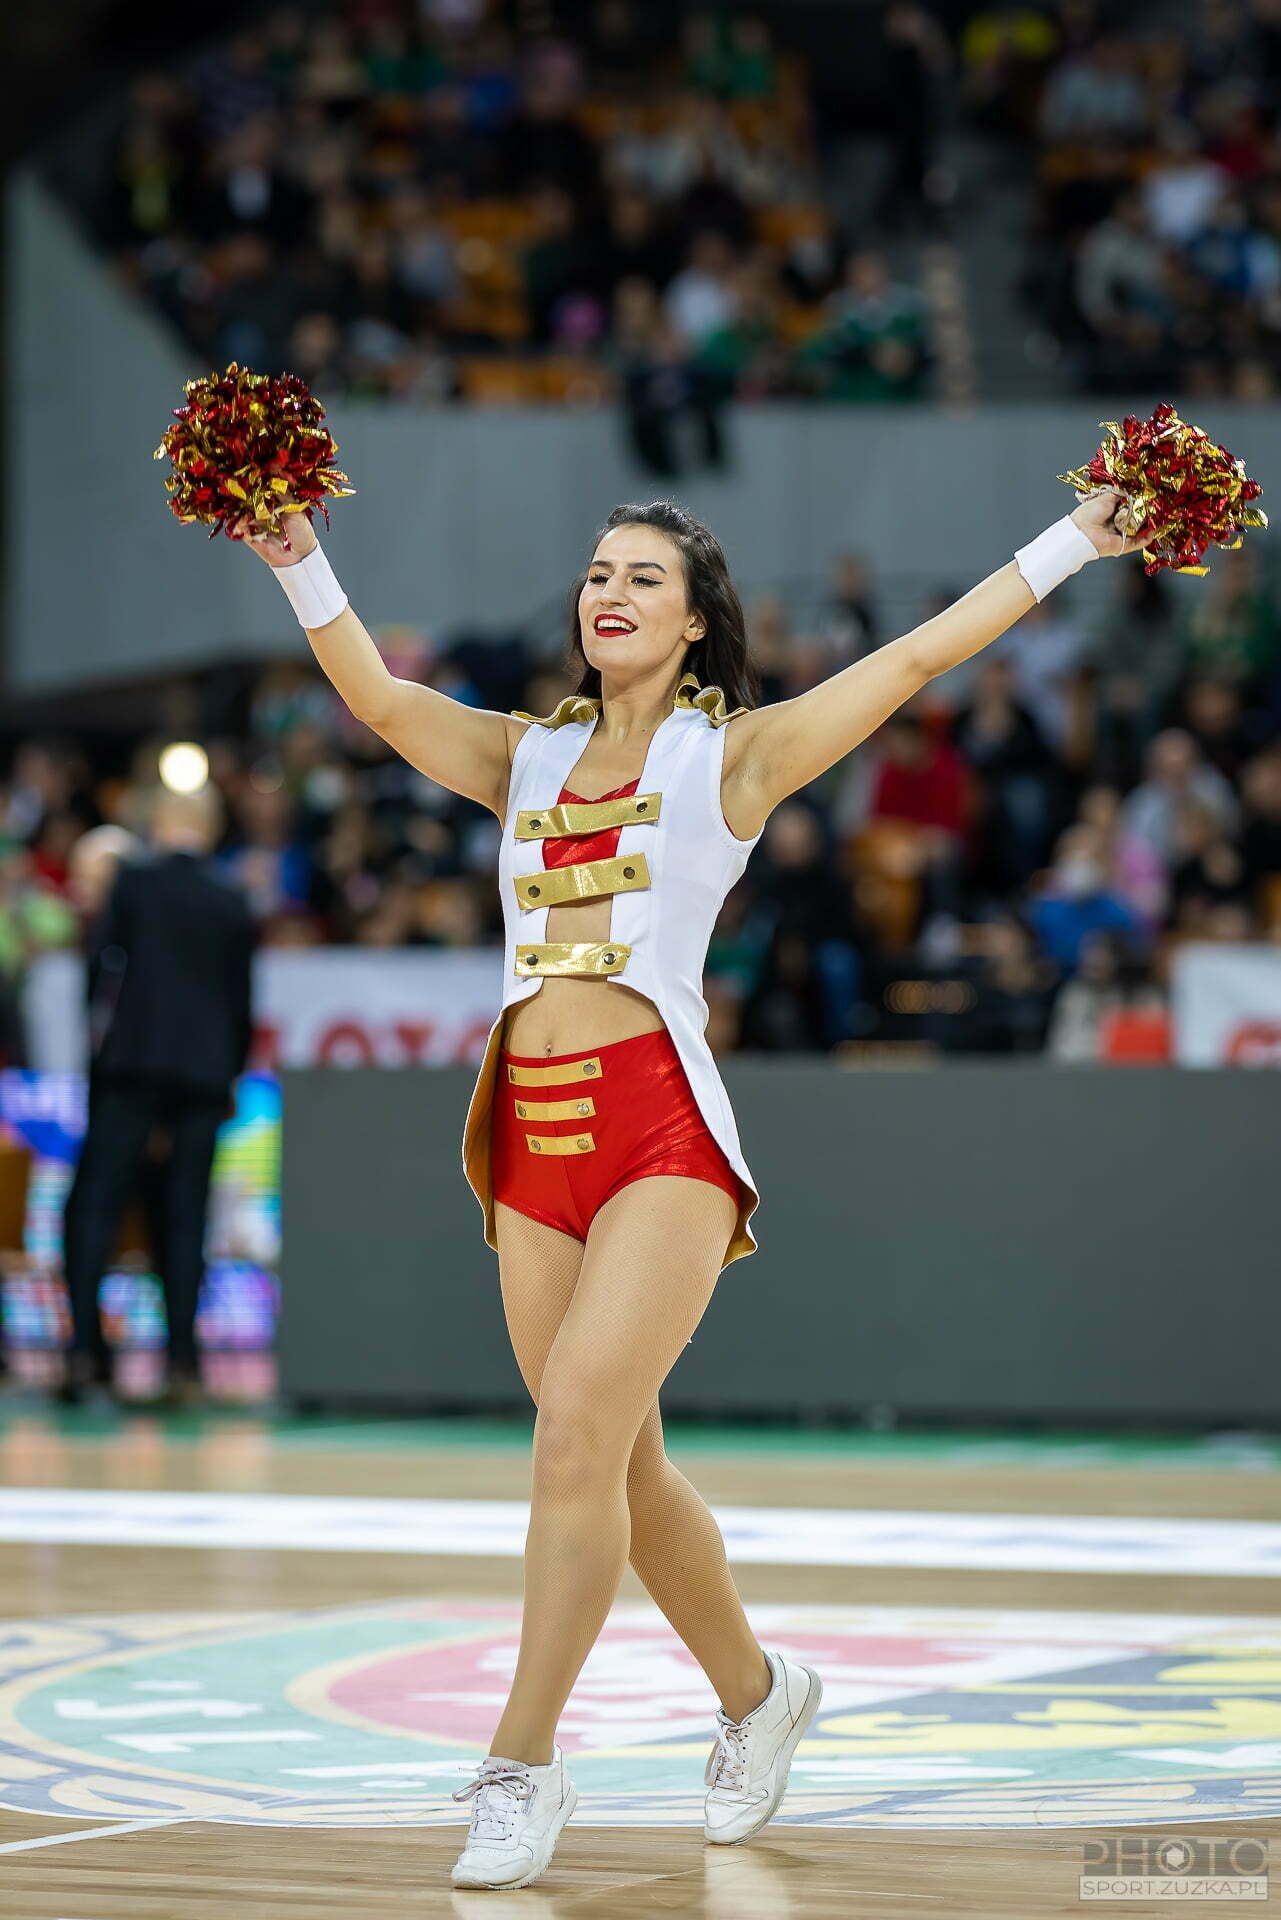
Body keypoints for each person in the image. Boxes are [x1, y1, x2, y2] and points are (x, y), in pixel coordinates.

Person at [238, 478, 1140, 1891]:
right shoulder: (526, 754)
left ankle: (521, 1766)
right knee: (621, 1466)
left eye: (644, 578)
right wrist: (300, 559)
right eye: (599, 572)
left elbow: (917, 657)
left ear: (697, 621)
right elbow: (380, 702)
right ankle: (760, 1695)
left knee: (571, 1444)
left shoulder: (737, 756)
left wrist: (1077, 537)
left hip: (662, 1135)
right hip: (528, 1136)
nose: (611, 592)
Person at [60, 786, 256, 1406]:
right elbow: (242, 1003)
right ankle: (183, 1364)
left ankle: (86, 1355)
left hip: (131, 1068)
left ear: (162, 823)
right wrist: (228, 1076)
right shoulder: (231, 899)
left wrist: (99, 1056)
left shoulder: (133, 883)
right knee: (185, 1215)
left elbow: (101, 974)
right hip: (202, 1078)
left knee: (95, 1206)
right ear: (210, 827)